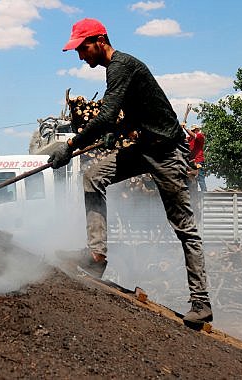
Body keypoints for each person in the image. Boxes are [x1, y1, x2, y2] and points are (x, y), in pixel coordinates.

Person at [49, 18, 212, 323]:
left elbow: (108, 112)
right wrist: (120, 129)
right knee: (93, 177)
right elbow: (134, 112)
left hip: (166, 153)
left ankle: (202, 304)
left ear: (99, 40)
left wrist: (70, 146)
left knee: (184, 227)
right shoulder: (119, 69)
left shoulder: (121, 66)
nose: (81, 57)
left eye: (82, 49)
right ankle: (96, 256)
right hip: (144, 147)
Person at [182, 123, 207, 191]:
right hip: (191, 161)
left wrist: (185, 128)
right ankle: (191, 192)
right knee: (188, 176)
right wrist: (180, 131)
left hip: (198, 160)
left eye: (194, 130)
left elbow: (192, 135)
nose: (192, 131)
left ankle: (204, 193)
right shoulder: (190, 138)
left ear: (197, 130)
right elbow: (182, 139)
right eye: (192, 130)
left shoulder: (200, 136)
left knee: (200, 177)